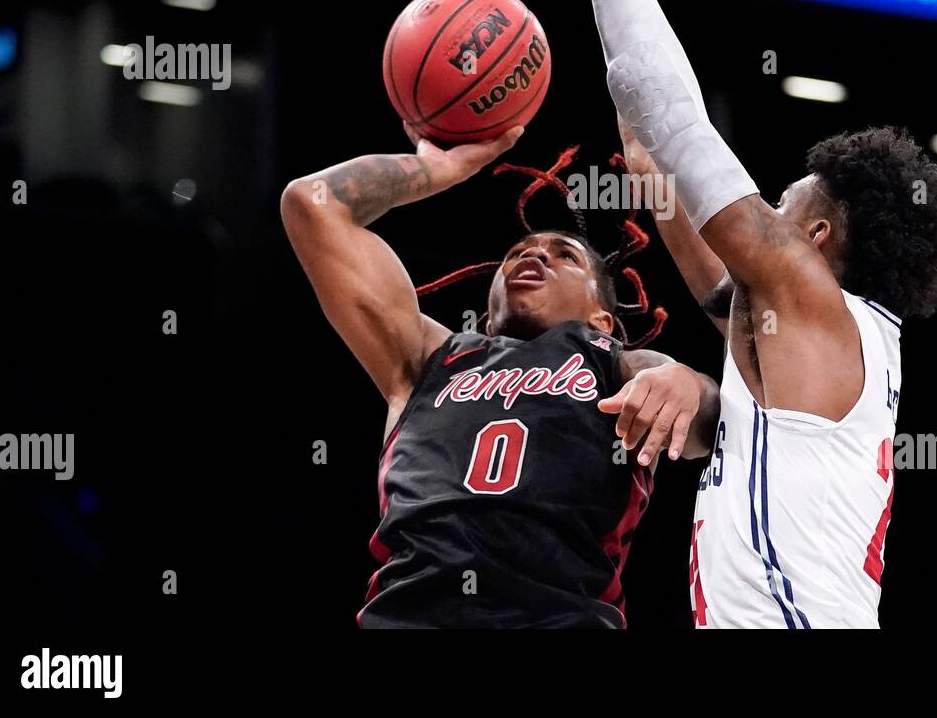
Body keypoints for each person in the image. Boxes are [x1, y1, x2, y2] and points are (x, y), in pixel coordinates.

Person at [542, 0, 937, 628]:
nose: (756, 212)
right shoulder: (785, 332)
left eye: (777, 203)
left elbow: (684, 129)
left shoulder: (814, 307)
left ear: (813, 234)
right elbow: (652, 153)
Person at [281, 124, 719, 627]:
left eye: (565, 256)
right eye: (517, 253)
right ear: (487, 316)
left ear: (603, 319)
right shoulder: (428, 356)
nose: (534, 254)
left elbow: (702, 420)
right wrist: (438, 170)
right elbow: (310, 204)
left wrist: (687, 381)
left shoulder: (617, 364)